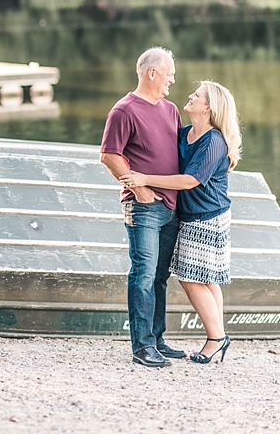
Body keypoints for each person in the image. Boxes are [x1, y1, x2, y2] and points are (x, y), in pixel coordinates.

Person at [119, 80, 242, 364]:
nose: (190, 95)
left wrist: (144, 179)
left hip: (207, 217)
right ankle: (218, 336)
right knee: (207, 278)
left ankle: (215, 339)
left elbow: (190, 180)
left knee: (191, 278)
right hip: (191, 214)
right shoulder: (186, 133)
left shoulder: (213, 141)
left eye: (196, 95)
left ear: (208, 108)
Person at [100, 47, 184, 368]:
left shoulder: (171, 110)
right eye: (169, 73)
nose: (172, 79)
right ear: (152, 73)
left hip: (171, 207)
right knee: (144, 274)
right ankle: (142, 347)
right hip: (143, 207)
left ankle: (157, 339)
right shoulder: (124, 110)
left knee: (160, 276)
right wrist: (138, 186)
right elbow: (109, 155)